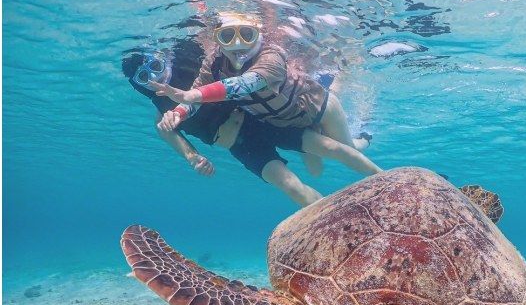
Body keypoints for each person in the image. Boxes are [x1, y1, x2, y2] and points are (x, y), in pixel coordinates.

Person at [123, 40, 381, 206]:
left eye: (156, 66)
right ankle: (334, 223)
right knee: (291, 186)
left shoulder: (196, 70)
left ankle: (386, 180)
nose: (156, 76)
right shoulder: (162, 118)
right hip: (243, 147)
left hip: (263, 122)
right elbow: (186, 151)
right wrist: (195, 160)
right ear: (139, 86)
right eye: (145, 77)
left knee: (333, 148)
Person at [151, 12, 369, 165]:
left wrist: (192, 95)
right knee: (320, 151)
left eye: (246, 34)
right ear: (218, 40)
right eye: (227, 36)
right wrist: (178, 112)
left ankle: (364, 136)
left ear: (258, 35)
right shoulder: (215, 61)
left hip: (313, 108)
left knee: (350, 148)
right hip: (287, 120)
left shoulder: (271, 55)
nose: (238, 44)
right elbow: (198, 93)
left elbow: (245, 83)